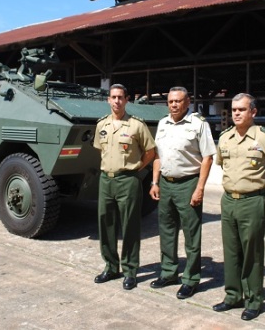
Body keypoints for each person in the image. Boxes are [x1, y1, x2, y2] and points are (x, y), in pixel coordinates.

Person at [212, 93, 265, 321]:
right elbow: (222, 165)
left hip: (252, 202)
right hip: (228, 201)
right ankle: (233, 296)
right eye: (234, 109)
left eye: (241, 109)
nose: (236, 113)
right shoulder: (225, 138)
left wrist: (260, 184)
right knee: (231, 251)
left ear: (253, 112)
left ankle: (254, 300)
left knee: (252, 253)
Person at [148, 86, 216, 299]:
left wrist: (200, 188)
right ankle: (168, 273)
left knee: (191, 234)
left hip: (188, 184)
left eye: (178, 101)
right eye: (170, 101)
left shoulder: (199, 124)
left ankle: (191, 279)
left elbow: (207, 157)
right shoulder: (162, 124)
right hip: (166, 184)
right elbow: (157, 155)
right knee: (166, 230)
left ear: (188, 102)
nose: (174, 105)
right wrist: (155, 182)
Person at [93, 83, 156, 290]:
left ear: (127, 100)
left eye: (121, 97)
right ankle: (111, 267)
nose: (117, 101)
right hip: (106, 180)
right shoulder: (101, 124)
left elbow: (150, 151)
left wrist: (138, 168)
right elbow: (99, 150)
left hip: (128, 180)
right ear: (108, 100)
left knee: (130, 225)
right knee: (106, 224)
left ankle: (130, 270)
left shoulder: (136, 125)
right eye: (113, 97)